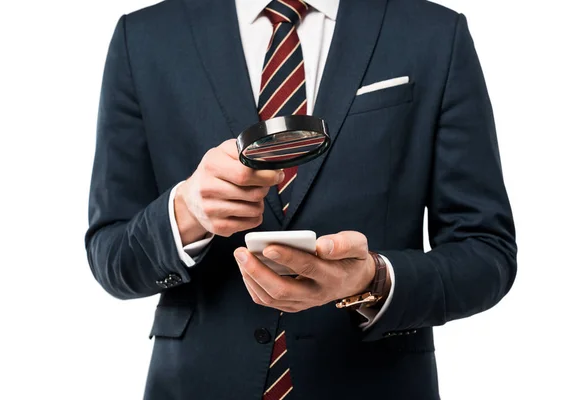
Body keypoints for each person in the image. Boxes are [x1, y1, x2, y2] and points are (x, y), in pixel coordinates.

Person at [86, 0, 517, 398]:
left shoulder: (434, 32)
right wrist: (185, 213)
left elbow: (486, 251)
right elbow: (111, 258)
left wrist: (372, 281)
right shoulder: (143, 37)